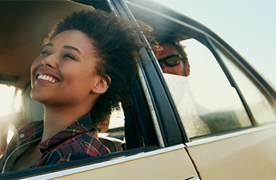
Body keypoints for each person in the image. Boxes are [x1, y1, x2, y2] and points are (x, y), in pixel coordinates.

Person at [0, 9, 142, 172]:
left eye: (69, 56)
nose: (47, 60)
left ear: (100, 83)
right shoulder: (26, 135)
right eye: (46, 52)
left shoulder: (81, 157)